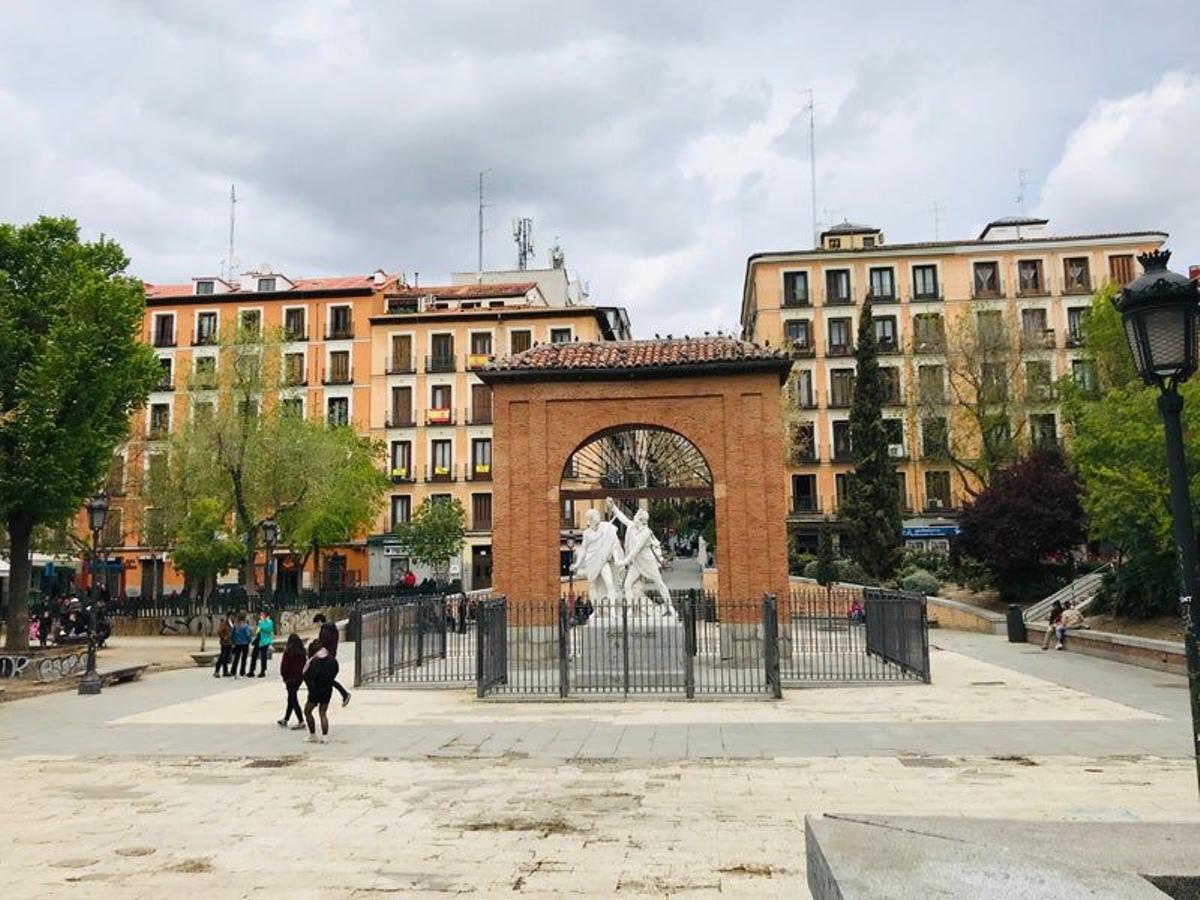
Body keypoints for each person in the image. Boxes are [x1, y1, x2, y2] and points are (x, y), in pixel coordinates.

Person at [302, 637, 339, 743]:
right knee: (323, 712)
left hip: (315, 690)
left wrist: (311, 686)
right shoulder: (331, 659)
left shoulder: (314, 661)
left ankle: (312, 735)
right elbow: (336, 670)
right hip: (327, 689)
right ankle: (325, 736)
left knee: (307, 711)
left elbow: (308, 675)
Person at [313, 614, 351, 707]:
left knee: (325, 679)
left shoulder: (324, 630)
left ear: (319, 621)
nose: (316, 626)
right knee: (327, 679)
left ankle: (344, 694)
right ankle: (343, 694)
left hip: (325, 657)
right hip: (332, 656)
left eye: (316, 623)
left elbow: (322, 645)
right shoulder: (333, 629)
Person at [278, 634, 307, 729]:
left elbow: (284, 666)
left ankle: (301, 720)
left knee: (293, 699)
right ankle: (286, 719)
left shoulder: (288, 652)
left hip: (290, 679)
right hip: (299, 678)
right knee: (291, 698)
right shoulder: (302, 652)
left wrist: (284, 677)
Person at [251, 611, 275, 677]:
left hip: (265, 641)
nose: (261, 615)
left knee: (263, 656)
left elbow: (268, 629)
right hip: (258, 640)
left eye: (262, 614)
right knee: (254, 655)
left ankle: (263, 671)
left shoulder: (269, 621)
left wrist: (261, 625)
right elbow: (258, 630)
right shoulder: (260, 622)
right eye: (261, 614)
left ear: (266, 615)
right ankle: (252, 670)